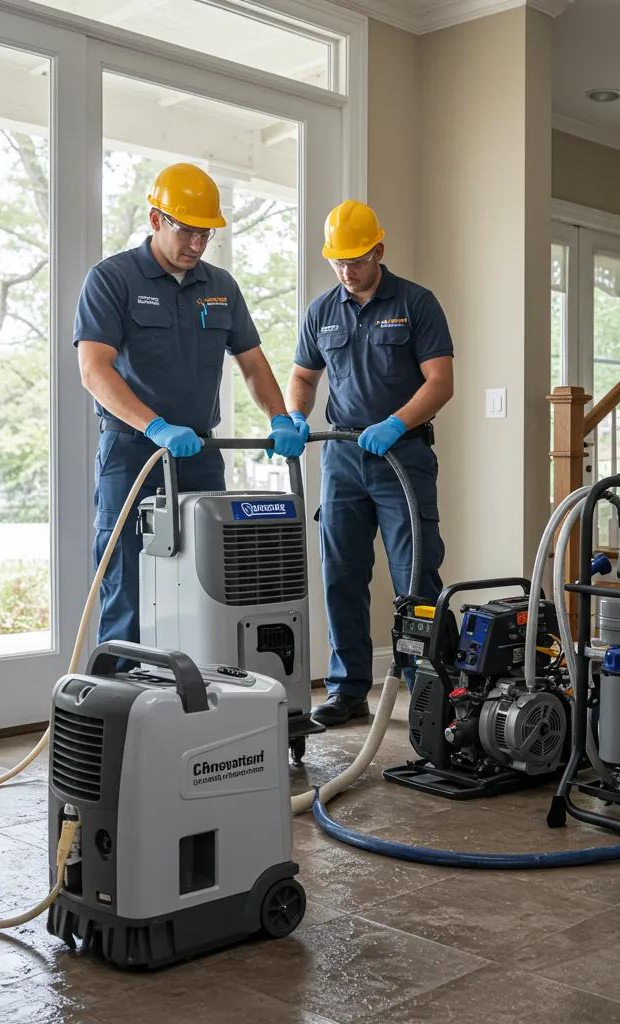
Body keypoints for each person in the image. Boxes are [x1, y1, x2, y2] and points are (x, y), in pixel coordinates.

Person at [75, 162, 304, 651]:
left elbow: (252, 363)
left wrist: (280, 416)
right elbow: (95, 370)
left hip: (199, 455)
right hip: (133, 452)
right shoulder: (112, 279)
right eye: (187, 231)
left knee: (208, 582)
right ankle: (122, 710)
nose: (197, 245)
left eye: (205, 234)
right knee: (128, 585)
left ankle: (197, 704)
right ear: (156, 219)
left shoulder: (220, 286)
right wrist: (154, 426)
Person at [286, 200, 453, 726]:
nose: (346, 270)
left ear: (379, 250)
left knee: (415, 576)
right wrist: (293, 415)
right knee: (342, 575)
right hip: (342, 459)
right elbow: (304, 378)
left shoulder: (417, 303)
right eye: (337, 261)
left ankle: (430, 689)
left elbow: (440, 382)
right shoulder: (321, 311)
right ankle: (348, 690)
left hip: (401, 456)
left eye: (356, 259)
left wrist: (396, 424)